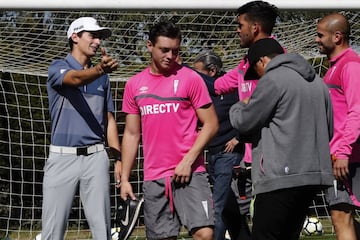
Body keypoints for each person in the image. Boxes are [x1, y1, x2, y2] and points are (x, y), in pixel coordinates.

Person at [120, 21, 219, 240]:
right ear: (149, 46)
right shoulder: (134, 85)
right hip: (154, 177)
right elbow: (131, 134)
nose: (170, 56)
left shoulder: (191, 78)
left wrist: (188, 161)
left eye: (175, 51)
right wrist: (125, 179)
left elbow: (211, 124)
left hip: (191, 172)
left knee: (205, 234)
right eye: (164, 50)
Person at [229, 38, 334, 240]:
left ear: (262, 61)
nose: (257, 77)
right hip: (313, 175)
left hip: (280, 177)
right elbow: (328, 129)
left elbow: (244, 122)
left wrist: (239, 105)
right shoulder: (318, 83)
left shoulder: (273, 79)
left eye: (255, 71)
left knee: (266, 235)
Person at [42, 17, 121, 239]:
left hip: (96, 157)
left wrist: (119, 159)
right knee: (52, 233)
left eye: (99, 37)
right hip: (61, 158)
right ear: (74, 37)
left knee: (102, 232)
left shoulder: (102, 77)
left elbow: (109, 119)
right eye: (92, 35)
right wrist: (99, 70)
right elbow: (75, 79)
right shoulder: (58, 67)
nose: (97, 41)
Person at [212, 0, 280, 224]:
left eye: (240, 25)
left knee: (268, 222)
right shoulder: (244, 64)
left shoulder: (278, 61)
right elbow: (218, 86)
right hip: (249, 157)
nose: (237, 29)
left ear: (255, 28)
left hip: (273, 158)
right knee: (230, 211)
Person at [192, 49, 250, 240]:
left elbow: (249, 111)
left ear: (212, 71)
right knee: (229, 207)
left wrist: (238, 138)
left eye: (198, 72)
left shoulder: (232, 89)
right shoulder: (202, 93)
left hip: (230, 155)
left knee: (217, 204)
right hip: (213, 155)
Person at [315, 12, 360, 240]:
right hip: (336, 157)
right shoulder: (333, 66)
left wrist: (343, 151)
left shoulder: (351, 65)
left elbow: (357, 111)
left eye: (320, 35)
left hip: (349, 158)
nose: (316, 40)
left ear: (337, 37)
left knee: (341, 216)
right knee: (340, 216)